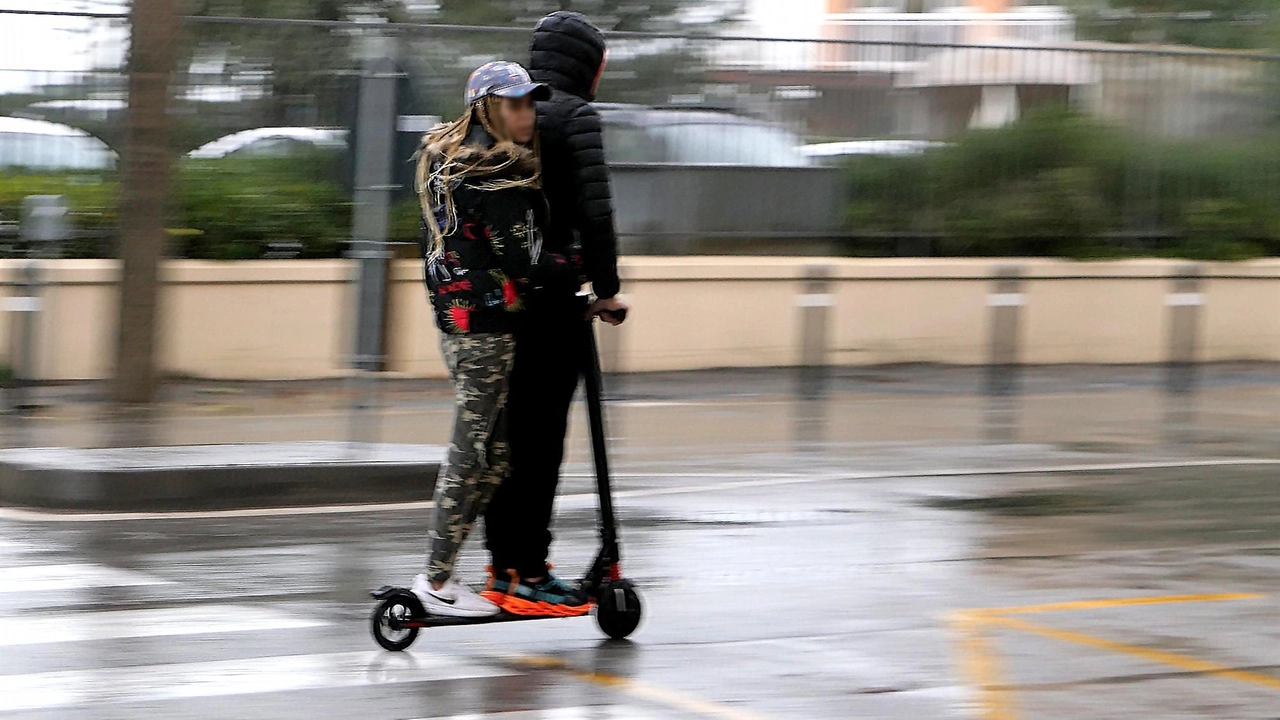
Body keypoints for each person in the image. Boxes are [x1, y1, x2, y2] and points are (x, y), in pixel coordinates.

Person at [410, 61, 578, 617]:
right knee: (471, 452)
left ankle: (443, 571)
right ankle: (436, 580)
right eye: (514, 104)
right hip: (486, 328)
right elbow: (526, 263)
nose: (526, 114)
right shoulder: (499, 173)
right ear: (488, 108)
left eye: (530, 103)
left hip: (456, 321)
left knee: (497, 455)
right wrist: (579, 269)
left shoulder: (446, 164)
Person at [481, 11, 628, 615]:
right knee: (541, 440)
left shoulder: (507, 110)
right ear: (586, 64)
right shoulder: (576, 116)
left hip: (498, 299)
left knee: (510, 437)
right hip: (553, 299)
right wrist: (608, 288)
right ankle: (528, 573)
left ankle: (503, 565)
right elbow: (595, 212)